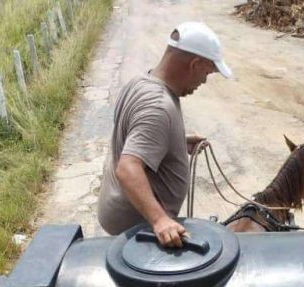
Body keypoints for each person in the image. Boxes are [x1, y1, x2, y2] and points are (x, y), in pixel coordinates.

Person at [97, 21, 232, 247]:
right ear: (195, 64)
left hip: (118, 209)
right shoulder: (158, 107)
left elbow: (133, 134)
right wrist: (160, 220)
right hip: (137, 228)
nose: (204, 81)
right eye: (207, 72)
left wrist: (176, 143)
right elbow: (128, 167)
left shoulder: (140, 82)